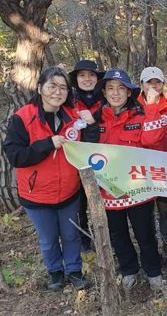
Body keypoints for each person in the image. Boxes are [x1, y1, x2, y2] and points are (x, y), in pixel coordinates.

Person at [2, 66, 92, 291]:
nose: (57, 92)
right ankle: (55, 273)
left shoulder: (72, 116)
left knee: (71, 236)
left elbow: (87, 144)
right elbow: (15, 156)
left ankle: (74, 271)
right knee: (48, 239)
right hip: (37, 195)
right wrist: (46, 144)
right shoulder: (22, 118)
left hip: (69, 192)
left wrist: (91, 123)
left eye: (63, 87)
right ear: (40, 88)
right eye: (52, 86)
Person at [91, 68, 165, 292]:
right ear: (104, 92)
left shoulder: (141, 114)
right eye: (110, 88)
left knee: (145, 233)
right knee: (118, 234)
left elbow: (153, 139)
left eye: (121, 88)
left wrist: (152, 106)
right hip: (108, 191)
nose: (115, 93)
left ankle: (153, 272)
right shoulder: (94, 119)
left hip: (138, 189)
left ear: (129, 91)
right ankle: (129, 269)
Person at [137, 66, 167, 262]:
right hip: (140, 169)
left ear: (163, 84)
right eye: (149, 82)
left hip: (163, 168)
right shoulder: (133, 107)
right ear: (141, 85)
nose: (153, 86)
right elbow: (146, 139)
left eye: (157, 82)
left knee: (165, 210)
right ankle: (150, 250)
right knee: (144, 212)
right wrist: (151, 105)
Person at [68, 59, 103, 252]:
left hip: (104, 159)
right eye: (82, 75)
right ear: (76, 79)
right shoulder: (69, 101)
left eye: (91, 75)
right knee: (80, 203)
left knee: (103, 202)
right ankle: (84, 242)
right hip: (77, 161)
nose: (87, 79)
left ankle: (107, 237)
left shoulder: (106, 98)